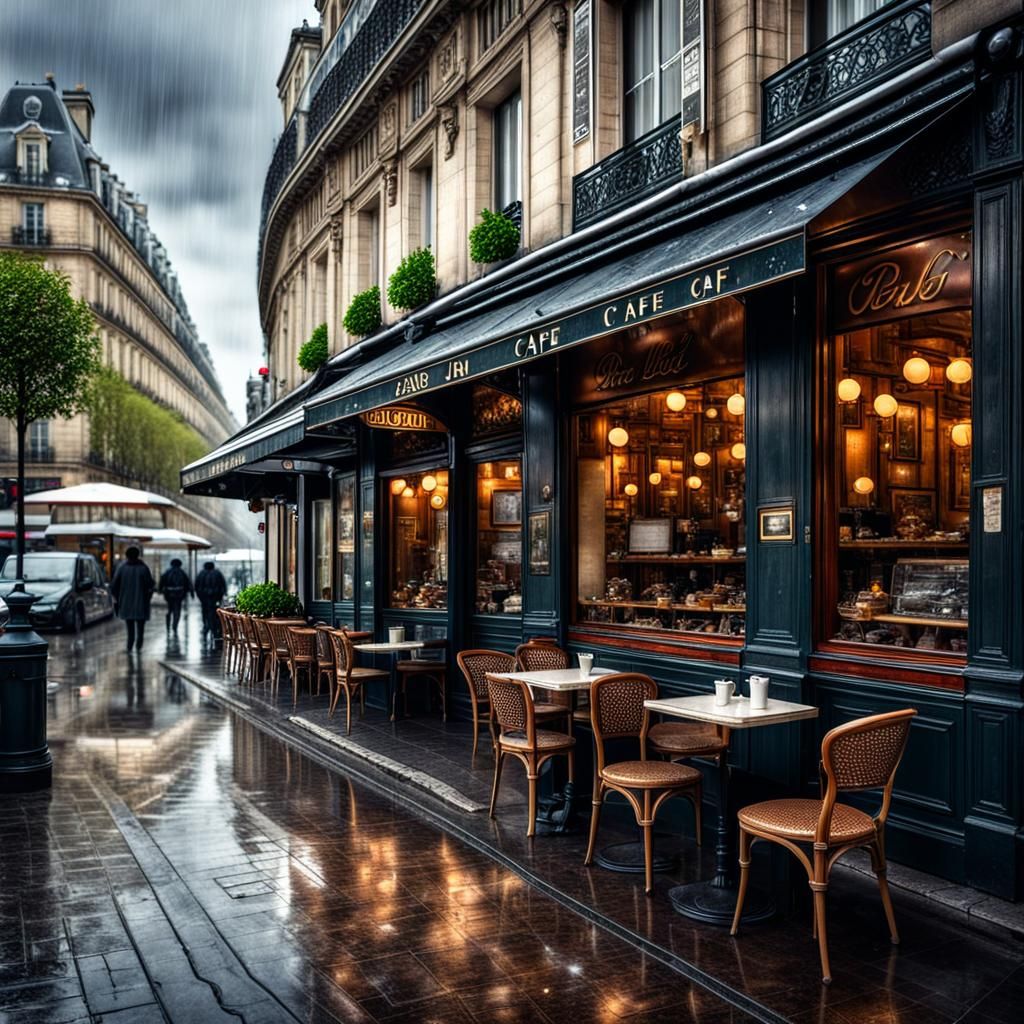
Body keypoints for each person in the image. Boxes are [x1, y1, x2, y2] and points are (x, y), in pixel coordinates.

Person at [110, 547, 155, 652]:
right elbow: (150, 585)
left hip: (126, 603)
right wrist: (148, 598)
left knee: (130, 627)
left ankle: (129, 646)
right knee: (140, 627)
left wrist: (118, 600)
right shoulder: (144, 568)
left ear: (127, 556)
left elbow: (114, 586)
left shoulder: (122, 568)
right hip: (142, 604)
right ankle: (139, 646)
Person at [158, 557, 193, 633]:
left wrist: (160, 590)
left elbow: (162, 581)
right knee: (177, 610)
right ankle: (175, 626)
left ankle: (168, 626)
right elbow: (187, 583)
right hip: (179, 594)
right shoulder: (182, 572)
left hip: (169, 594)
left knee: (169, 610)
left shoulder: (167, 572)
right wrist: (190, 592)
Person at [195, 560, 227, 639]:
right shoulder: (217, 574)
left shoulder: (201, 574)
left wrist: (200, 596)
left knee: (205, 611)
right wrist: (221, 596)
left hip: (204, 598)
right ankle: (213, 627)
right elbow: (223, 585)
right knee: (213, 612)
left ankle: (206, 625)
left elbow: (197, 586)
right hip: (215, 597)